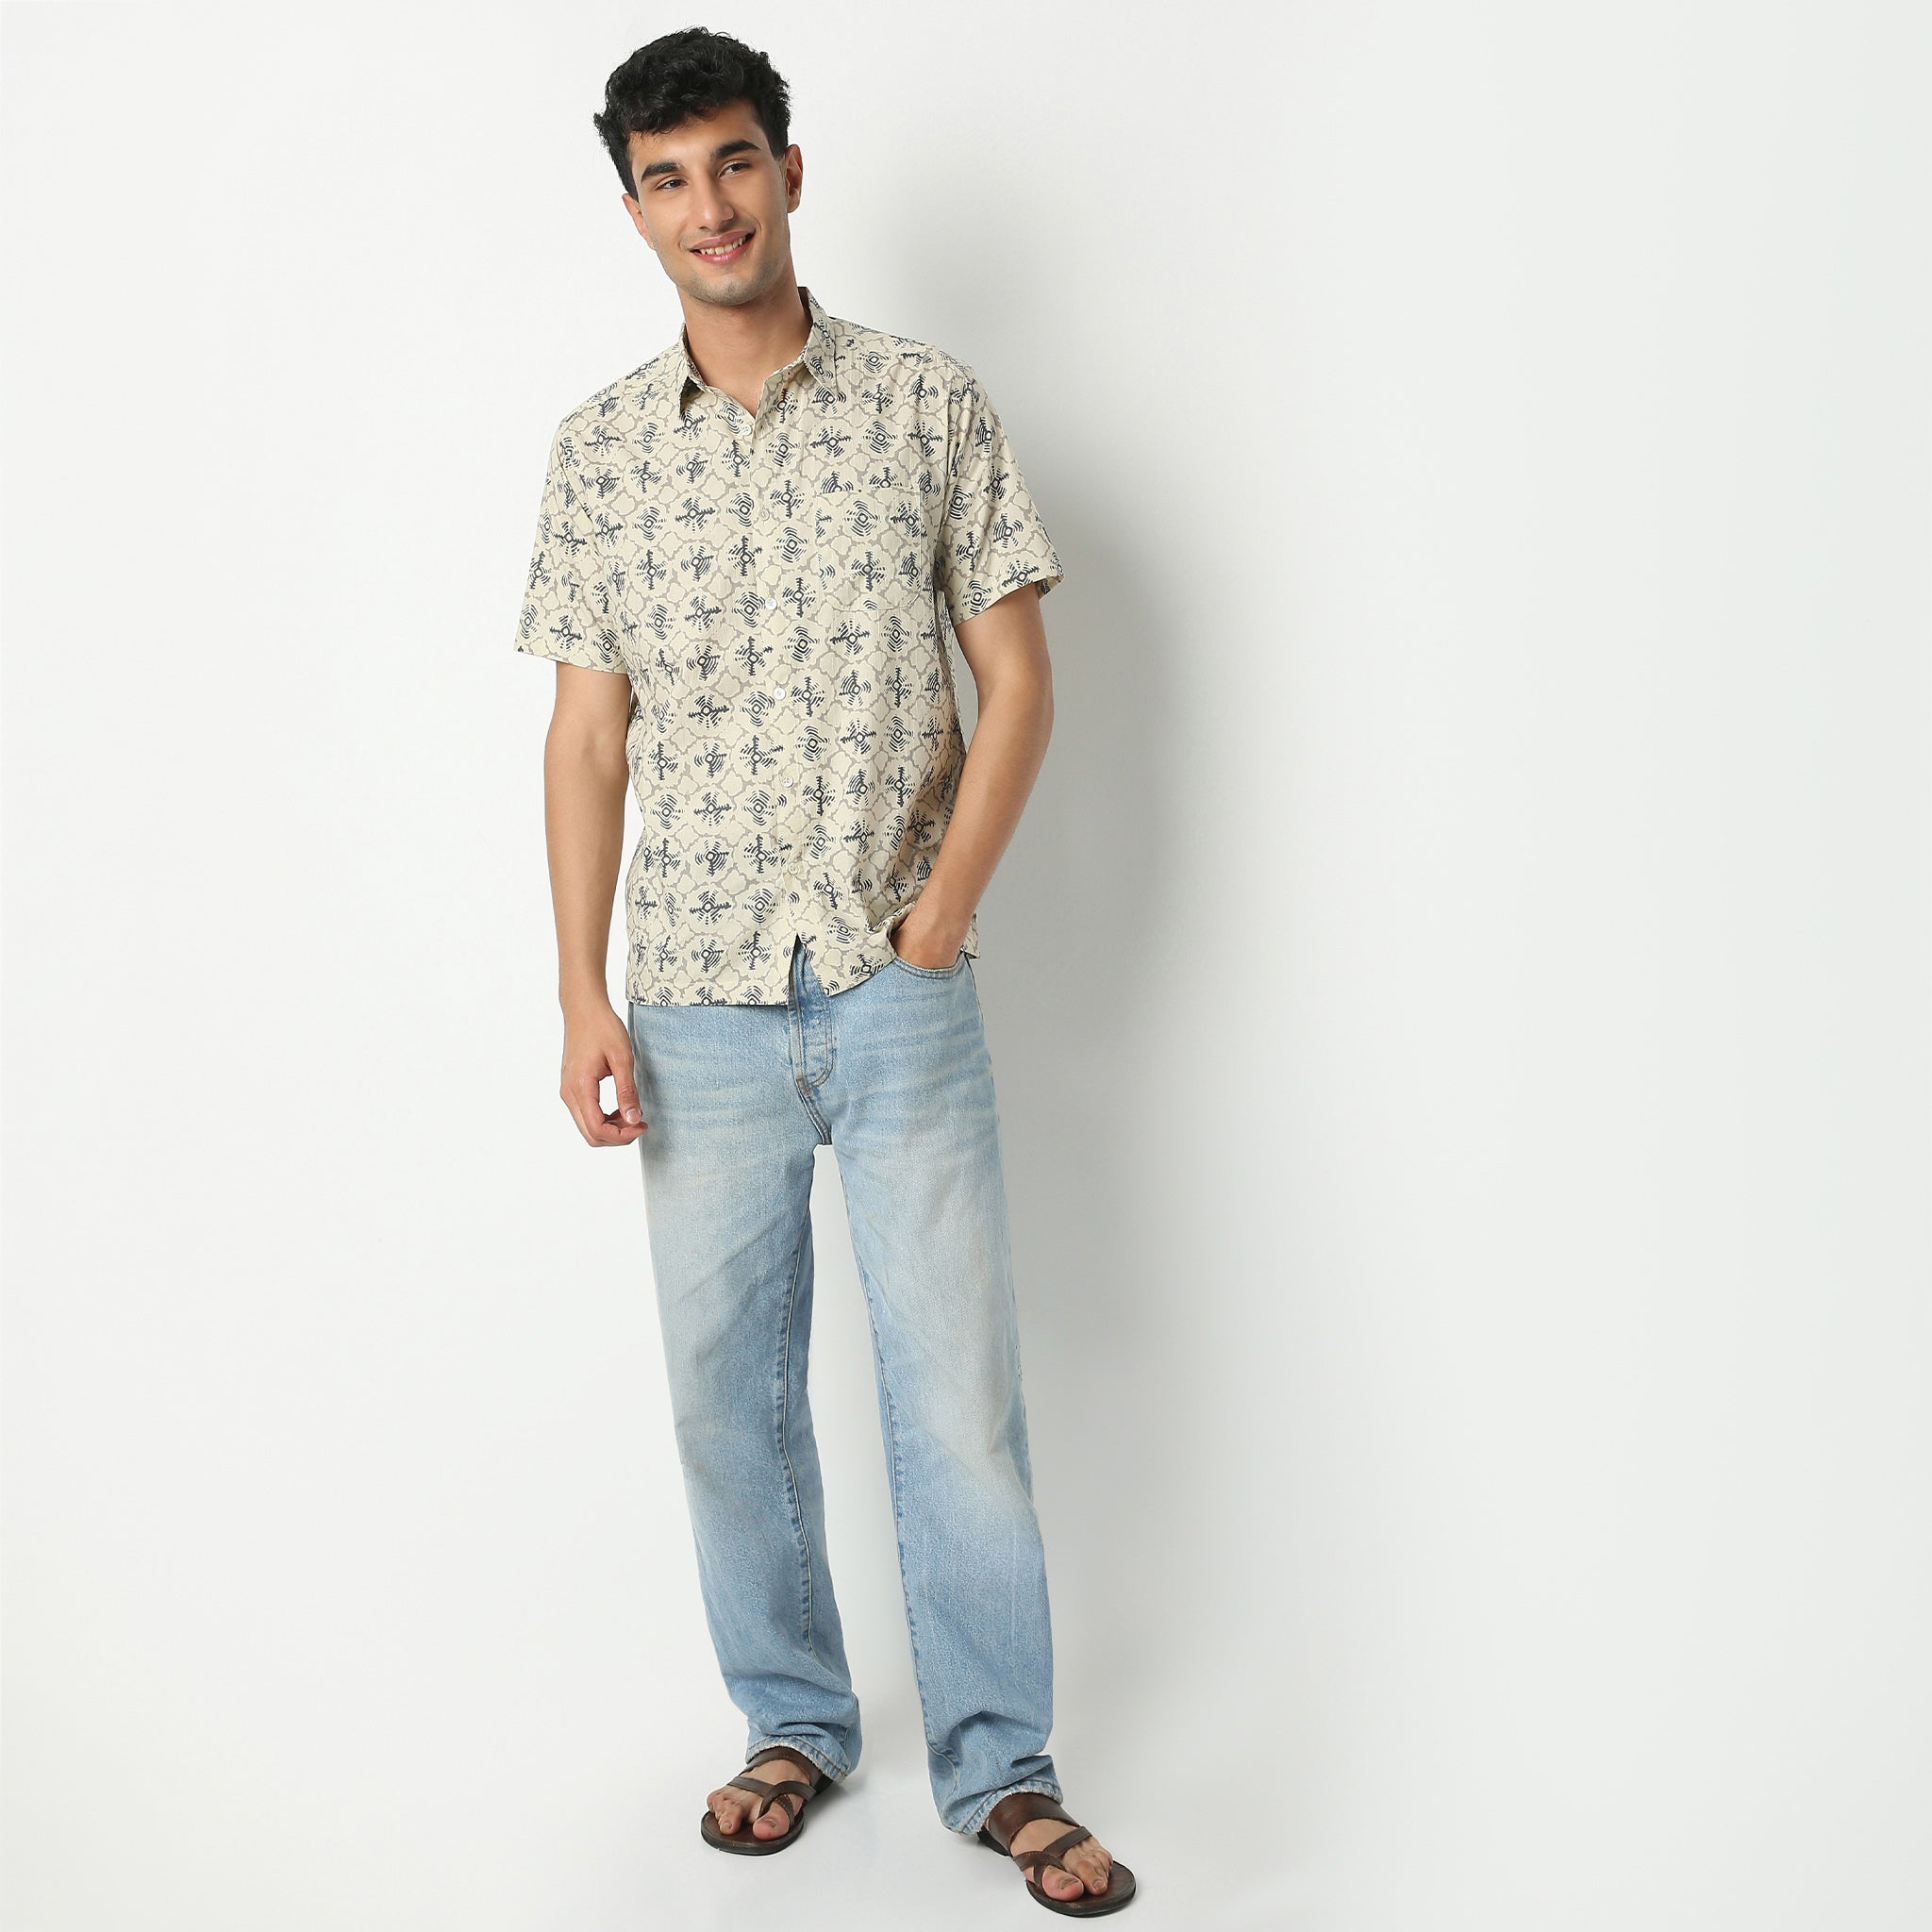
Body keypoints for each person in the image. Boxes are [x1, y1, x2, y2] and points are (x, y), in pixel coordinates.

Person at [511, 27, 1134, 1917]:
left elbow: (1016, 682)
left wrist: (935, 922)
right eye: (666, 178)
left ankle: (1002, 1771)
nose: (707, 206)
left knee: (959, 1401)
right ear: (632, 209)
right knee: (729, 1400)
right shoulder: (600, 452)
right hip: (691, 996)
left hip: (894, 984)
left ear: (789, 171)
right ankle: (790, 1724)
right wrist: (580, 991)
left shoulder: (927, 403)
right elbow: (587, 739)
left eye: (732, 162)